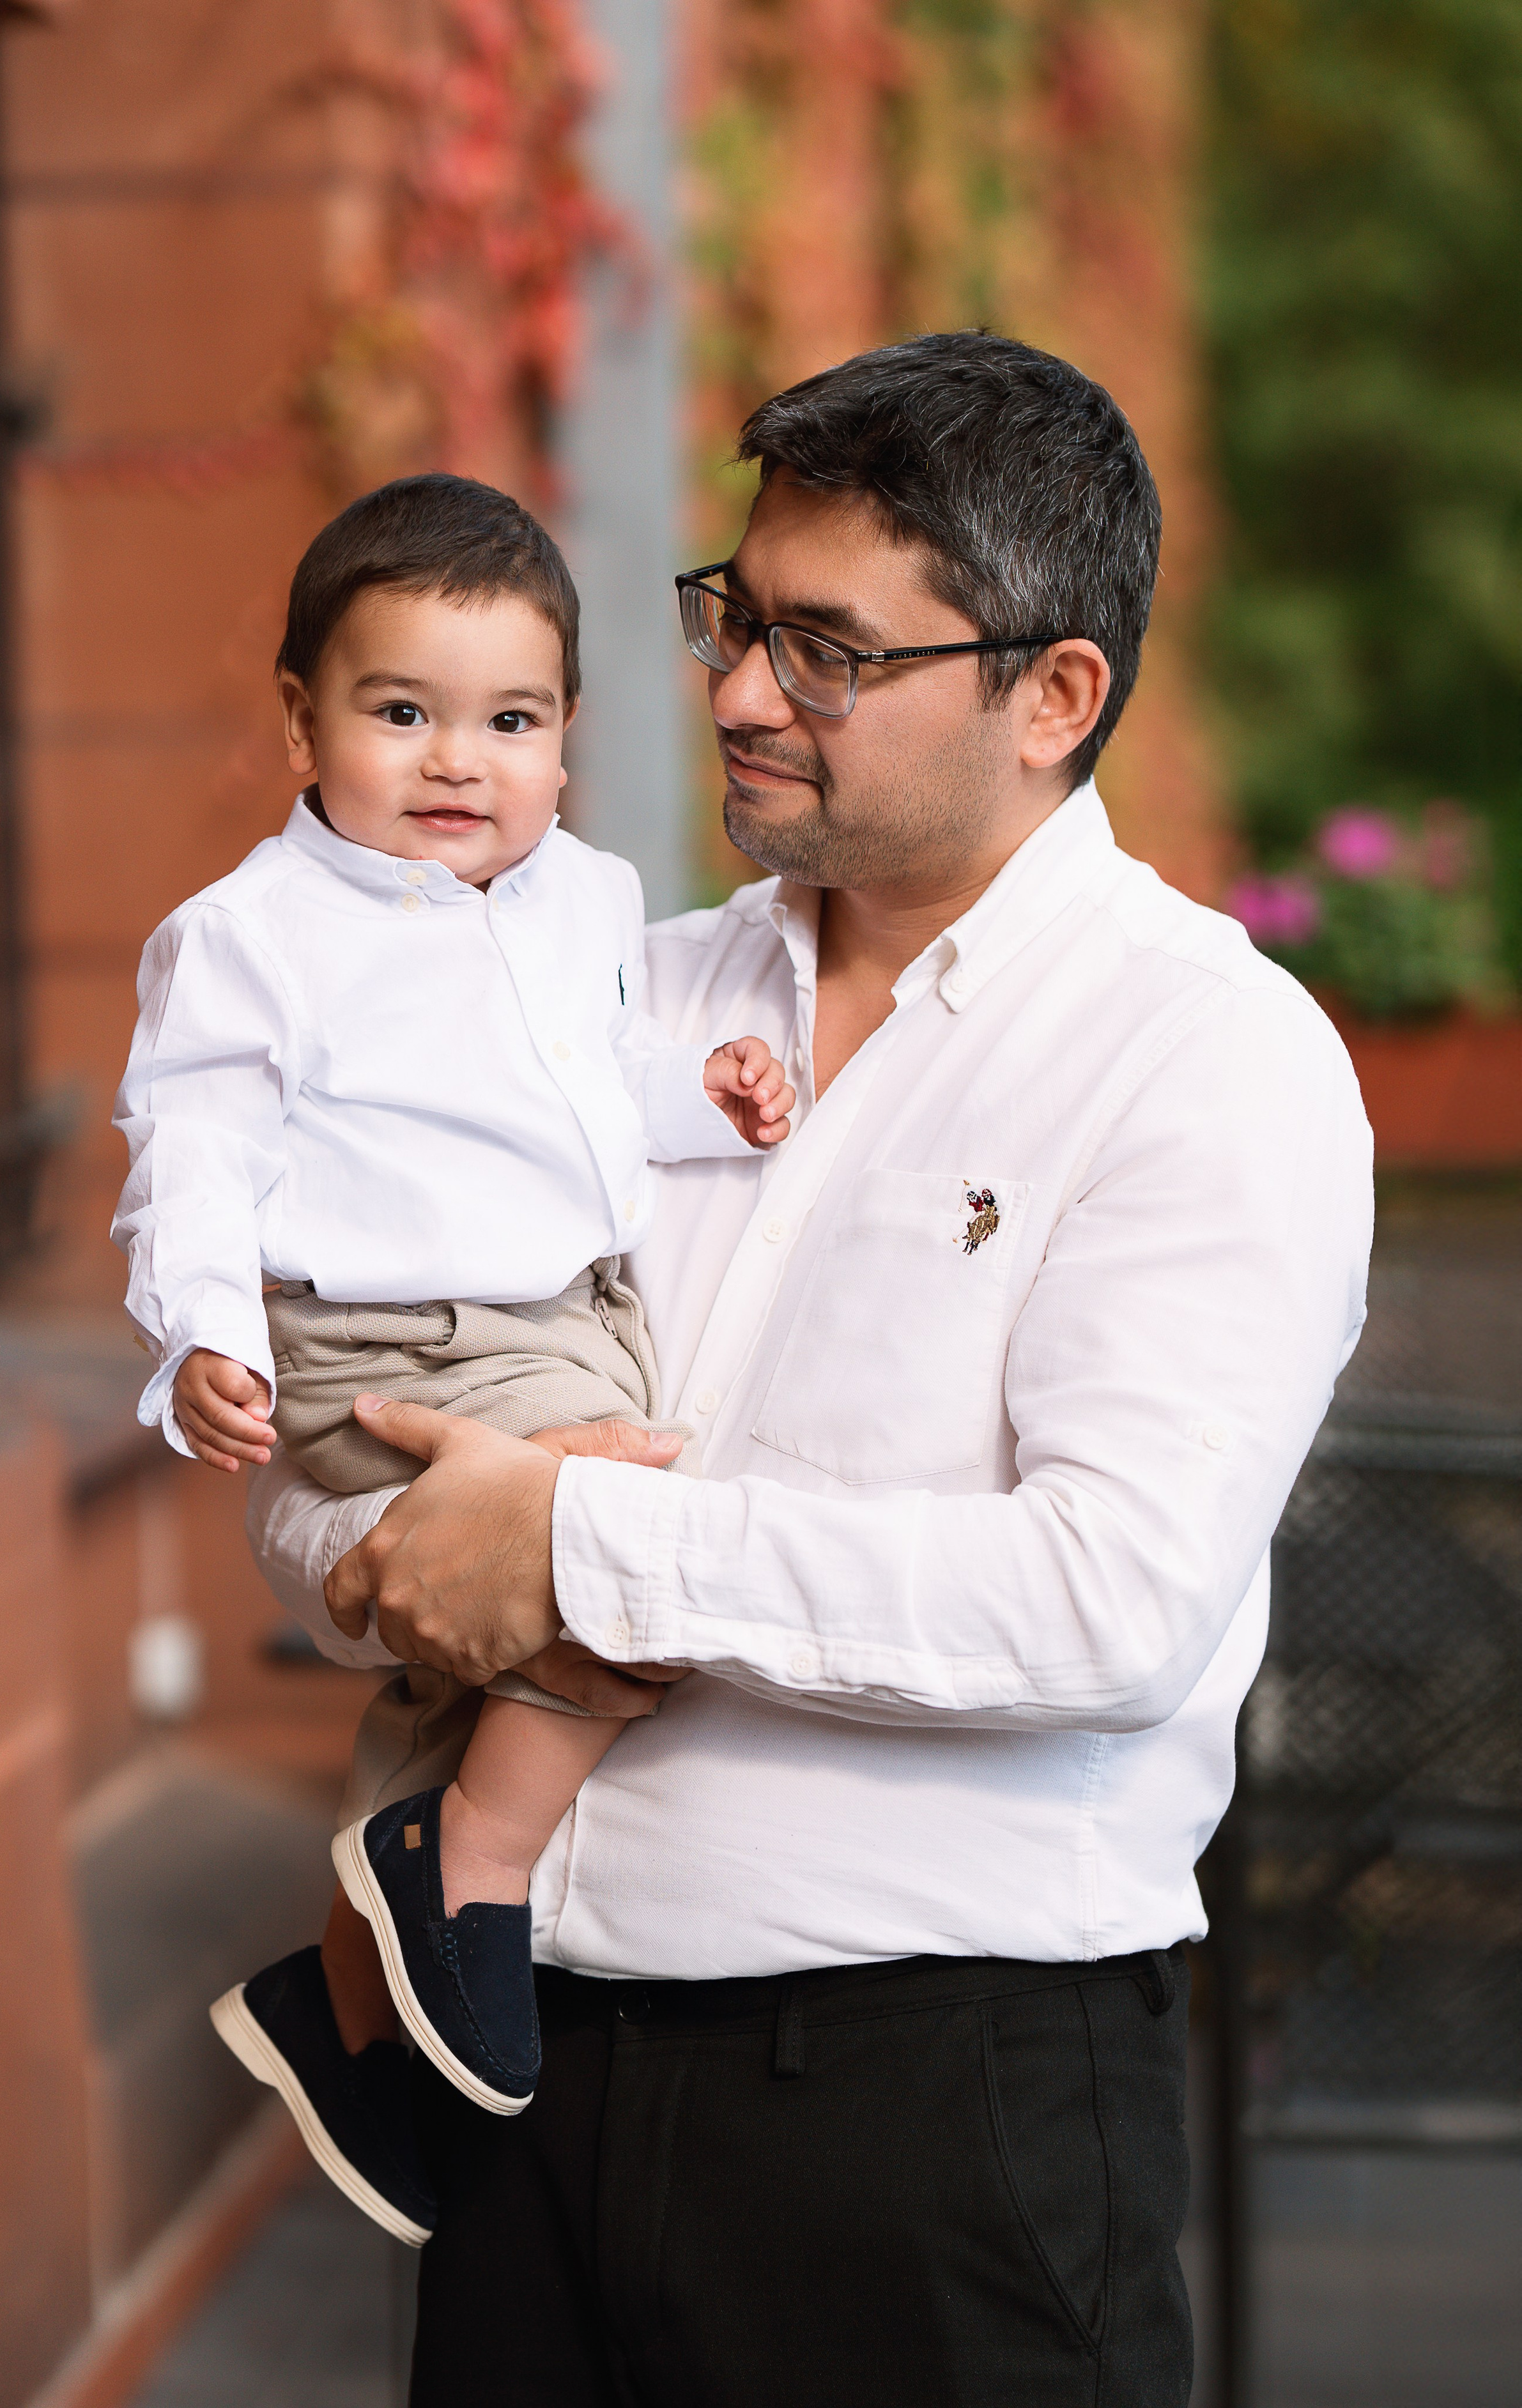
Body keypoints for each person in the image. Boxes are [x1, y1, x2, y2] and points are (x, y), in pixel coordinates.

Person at [253, 330, 1374, 2407]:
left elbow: (1110, 1597)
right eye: (737, 619)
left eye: (830, 653)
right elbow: (347, 1425)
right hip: (517, 2078)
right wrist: (361, 1551)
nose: (745, 693)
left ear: (1055, 696)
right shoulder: (603, 995)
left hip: (930, 2126)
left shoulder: (1208, 1059)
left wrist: (585, 1544)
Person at [111, 473, 793, 2246]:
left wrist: (700, 1100)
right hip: (378, 1334)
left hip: (567, 1309)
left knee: (506, 1632)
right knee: (632, 1556)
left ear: (569, 736)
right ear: (301, 716)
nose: (453, 763)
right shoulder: (256, 933)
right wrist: (200, 1325)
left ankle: (339, 2006)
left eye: (509, 721)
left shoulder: (586, 899)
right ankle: (460, 1863)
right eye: (399, 712)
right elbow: (186, 1147)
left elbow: (572, 1104)